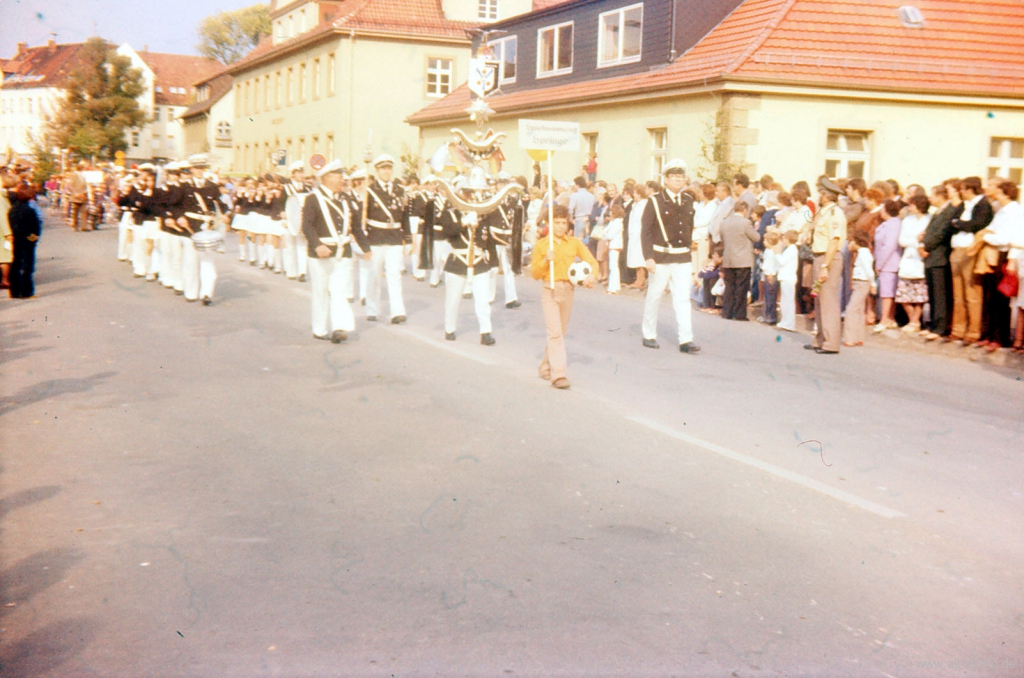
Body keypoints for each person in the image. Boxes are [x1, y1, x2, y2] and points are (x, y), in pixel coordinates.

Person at [530, 204, 598, 389]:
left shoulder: (574, 243)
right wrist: (546, 260)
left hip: (568, 290)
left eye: (563, 223)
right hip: (549, 289)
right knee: (555, 333)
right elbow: (535, 273)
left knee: (560, 332)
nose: (560, 226)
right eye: (556, 223)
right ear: (549, 224)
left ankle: (545, 366)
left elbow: (591, 261)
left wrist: (593, 274)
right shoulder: (542, 245)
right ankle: (558, 374)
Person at [302, 160, 371, 343]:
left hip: (343, 252)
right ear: (326, 178)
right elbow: (307, 226)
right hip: (321, 252)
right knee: (321, 291)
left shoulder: (347, 199)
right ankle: (320, 328)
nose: (343, 180)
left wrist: (366, 247)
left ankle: (340, 327)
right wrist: (317, 245)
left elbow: (356, 226)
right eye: (339, 176)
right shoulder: (312, 199)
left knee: (339, 290)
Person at [640, 159, 701, 353]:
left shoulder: (688, 201)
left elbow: (688, 227)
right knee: (655, 296)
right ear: (665, 179)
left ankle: (686, 339)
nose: (678, 180)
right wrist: (648, 256)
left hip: (682, 257)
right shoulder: (655, 201)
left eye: (681, 177)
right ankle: (649, 334)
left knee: (682, 299)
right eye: (674, 177)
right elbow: (646, 231)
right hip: (661, 257)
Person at [437, 184, 499, 345]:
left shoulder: (482, 214)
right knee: (453, 299)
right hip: (458, 260)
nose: (469, 196)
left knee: (482, 300)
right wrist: (463, 222)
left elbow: (489, 239)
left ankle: (486, 332)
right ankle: (449, 328)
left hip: (479, 261)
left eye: (472, 192)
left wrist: (493, 262)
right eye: (466, 192)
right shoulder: (450, 213)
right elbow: (445, 232)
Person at [977, 181, 1024, 351]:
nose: (993, 191)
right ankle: (987, 334)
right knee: (989, 296)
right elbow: (991, 229)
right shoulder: (1000, 210)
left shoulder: (1015, 212)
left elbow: (1006, 238)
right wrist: (988, 235)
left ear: (1005, 192)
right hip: (993, 253)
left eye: (996, 189)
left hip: (1004, 254)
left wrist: (986, 238)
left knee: (1000, 299)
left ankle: (999, 337)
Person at [362, 155, 409, 323]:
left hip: (395, 237)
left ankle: (397, 312)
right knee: (374, 275)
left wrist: (407, 239)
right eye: (383, 168)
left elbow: (405, 216)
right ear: (377, 171)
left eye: (389, 168)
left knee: (394, 275)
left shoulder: (400, 190)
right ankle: (372, 309)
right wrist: (363, 242)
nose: (386, 171)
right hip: (375, 237)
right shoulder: (369, 191)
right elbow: (363, 217)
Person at [805, 176, 847, 354]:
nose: (819, 197)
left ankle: (831, 343)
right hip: (819, 256)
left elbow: (833, 241)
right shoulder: (824, 212)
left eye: (821, 193)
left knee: (828, 301)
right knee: (820, 301)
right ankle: (820, 339)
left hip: (827, 258)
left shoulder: (834, 213)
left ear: (828, 195)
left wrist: (825, 266)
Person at [947, 176, 992, 346]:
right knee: (958, 292)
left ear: (971, 189)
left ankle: (974, 330)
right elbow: (953, 223)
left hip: (970, 250)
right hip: (957, 249)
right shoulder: (965, 205)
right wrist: (959, 223)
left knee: (972, 291)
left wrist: (959, 223)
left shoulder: (983, 205)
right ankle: (958, 329)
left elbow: (977, 224)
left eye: (964, 189)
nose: (961, 192)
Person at [920, 184, 956, 340]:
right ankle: (934, 324)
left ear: (941, 196)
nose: (930, 198)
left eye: (932, 195)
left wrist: (926, 246)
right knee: (933, 294)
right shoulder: (937, 212)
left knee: (940, 294)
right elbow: (929, 232)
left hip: (939, 256)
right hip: (931, 256)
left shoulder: (949, 211)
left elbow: (941, 234)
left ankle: (940, 327)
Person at [718, 201, 761, 321]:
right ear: (745, 210)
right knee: (741, 287)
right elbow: (756, 237)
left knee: (729, 286)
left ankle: (727, 312)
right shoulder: (746, 223)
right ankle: (739, 314)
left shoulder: (724, 222)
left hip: (728, 258)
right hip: (743, 258)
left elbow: (722, 238)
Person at [895, 194, 931, 333]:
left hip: (920, 259)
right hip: (908, 258)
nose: (909, 208)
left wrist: (915, 240)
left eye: (912, 205)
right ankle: (913, 320)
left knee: (919, 295)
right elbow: (902, 240)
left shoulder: (929, 220)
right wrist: (915, 240)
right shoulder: (907, 220)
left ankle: (915, 322)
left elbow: (925, 239)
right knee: (904, 294)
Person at [872, 200, 903, 332]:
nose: (880, 211)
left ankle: (885, 319)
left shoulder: (894, 224)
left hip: (889, 263)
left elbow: (889, 247)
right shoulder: (886, 224)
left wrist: (879, 264)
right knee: (886, 291)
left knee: (887, 293)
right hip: (884, 262)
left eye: (882, 209)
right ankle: (889, 318)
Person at [8, 182, 41, 299]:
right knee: (27, 266)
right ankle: (27, 291)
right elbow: (36, 227)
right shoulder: (29, 210)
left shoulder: (12, 210)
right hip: (27, 239)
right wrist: (33, 238)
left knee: (16, 263)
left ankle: (15, 291)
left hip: (16, 238)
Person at [843, 230, 875, 347]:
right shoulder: (863, 253)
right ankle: (858, 336)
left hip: (862, 282)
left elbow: (869, 271)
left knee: (851, 308)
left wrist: (872, 284)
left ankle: (850, 338)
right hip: (859, 282)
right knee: (859, 309)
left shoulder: (863, 254)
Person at [283, 161, 310, 282]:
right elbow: (280, 204)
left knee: (302, 245)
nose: (301, 175)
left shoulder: (308, 188)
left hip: (303, 220)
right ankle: (291, 271)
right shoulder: (286, 188)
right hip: (290, 220)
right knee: (290, 246)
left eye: (302, 172)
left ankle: (302, 272)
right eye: (298, 173)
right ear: (293, 174)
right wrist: (282, 214)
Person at [776, 230, 800, 331]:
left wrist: (776, 254)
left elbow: (782, 261)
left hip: (788, 278)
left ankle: (789, 323)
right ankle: (785, 321)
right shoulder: (790, 249)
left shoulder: (791, 250)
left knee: (788, 301)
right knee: (785, 301)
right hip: (786, 277)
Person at [760, 230, 781, 325]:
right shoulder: (767, 251)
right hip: (766, 274)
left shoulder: (773, 252)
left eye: (765, 240)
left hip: (770, 275)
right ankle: (767, 315)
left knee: (770, 297)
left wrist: (771, 274)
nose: (763, 242)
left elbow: (773, 265)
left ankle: (771, 317)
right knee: (767, 296)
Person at [604, 203, 625, 294]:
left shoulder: (618, 222)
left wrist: (606, 235)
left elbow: (610, 234)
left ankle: (613, 287)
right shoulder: (613, 222)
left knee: (613, 267)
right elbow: (605, 231)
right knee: (613, 266)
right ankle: (615, 286)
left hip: (615, 245)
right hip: (612, 245)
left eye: (611, 212)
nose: (610, 214)